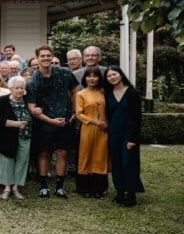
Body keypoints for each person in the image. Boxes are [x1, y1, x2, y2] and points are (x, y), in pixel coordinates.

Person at [26, 45, 78, 198]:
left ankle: (60, 186)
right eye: (42, 56)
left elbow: (74, 90)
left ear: (52, 56)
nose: (46, 58)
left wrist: (74, 111)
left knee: (63, 153)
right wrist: (51, 121)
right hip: (44, 124)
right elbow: (32, 108)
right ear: (37, 58)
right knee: (44, 154)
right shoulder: (33, 81)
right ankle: (44, 186)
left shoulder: (65, 73)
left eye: (48, 55)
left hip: (65, 120)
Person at [105, 66, 144, 207]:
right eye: (109, 76)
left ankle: (131, 195)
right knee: (116, 163)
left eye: (114, 74)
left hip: (129, 134)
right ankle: (120, 192)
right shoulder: (108, 93)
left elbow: (137, 118)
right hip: (114, 133)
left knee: (128, 163)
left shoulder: (132, 93)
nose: (112, 77)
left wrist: (134, 138)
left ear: (120, 75)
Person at [0, 77, 32, 200]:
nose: (20, 90)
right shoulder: (3, 101)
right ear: (10, 88)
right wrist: (16, 124)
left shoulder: (27, 101)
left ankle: (16, 187)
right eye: (17, 88)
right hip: (7, 137)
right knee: (6, 161)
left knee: (22, 161)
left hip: (25, 136)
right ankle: (7, 187)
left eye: (22, 88)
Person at [75, 66, 109, 199]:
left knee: (100, 157)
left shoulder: (104, 93)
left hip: (103, 130)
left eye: (95, 76)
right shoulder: (81, 94)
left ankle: (99, 189)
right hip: (88, 129)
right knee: (86, 156)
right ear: (85, 78)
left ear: (99, 78)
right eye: (89, 76)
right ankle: (84, 188)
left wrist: (106, 123)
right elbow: (79, 114)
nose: (92, 79)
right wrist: (96, 122)